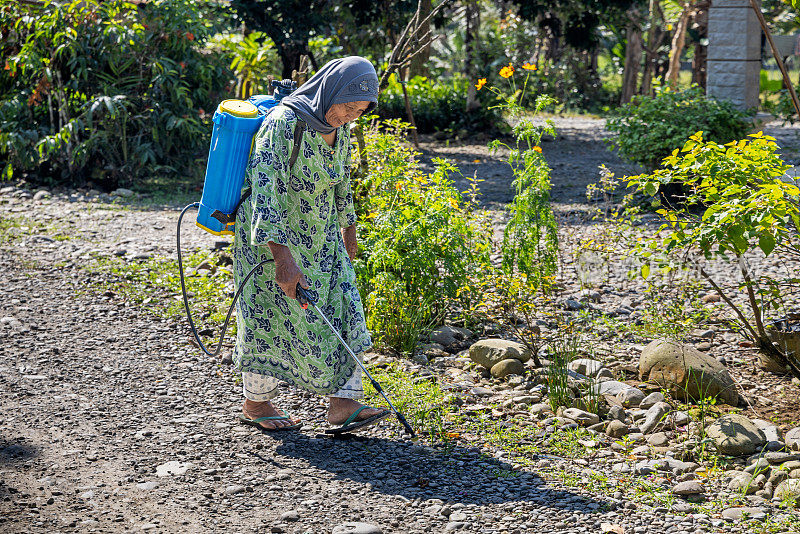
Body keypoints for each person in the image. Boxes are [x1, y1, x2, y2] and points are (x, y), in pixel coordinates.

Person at [232, 56, 390, 433]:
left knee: (344, 308)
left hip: (322, 238)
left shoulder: (342, 130)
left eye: (359, 111)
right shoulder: (284, 124)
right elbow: (266, 192)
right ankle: (257, 404)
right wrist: (282, 259)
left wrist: (348, 231)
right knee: (267, 318)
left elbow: (341, 183)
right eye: (347, 106)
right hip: (272, 242)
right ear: (329, 91)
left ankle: (342, 405)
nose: (349, 116)